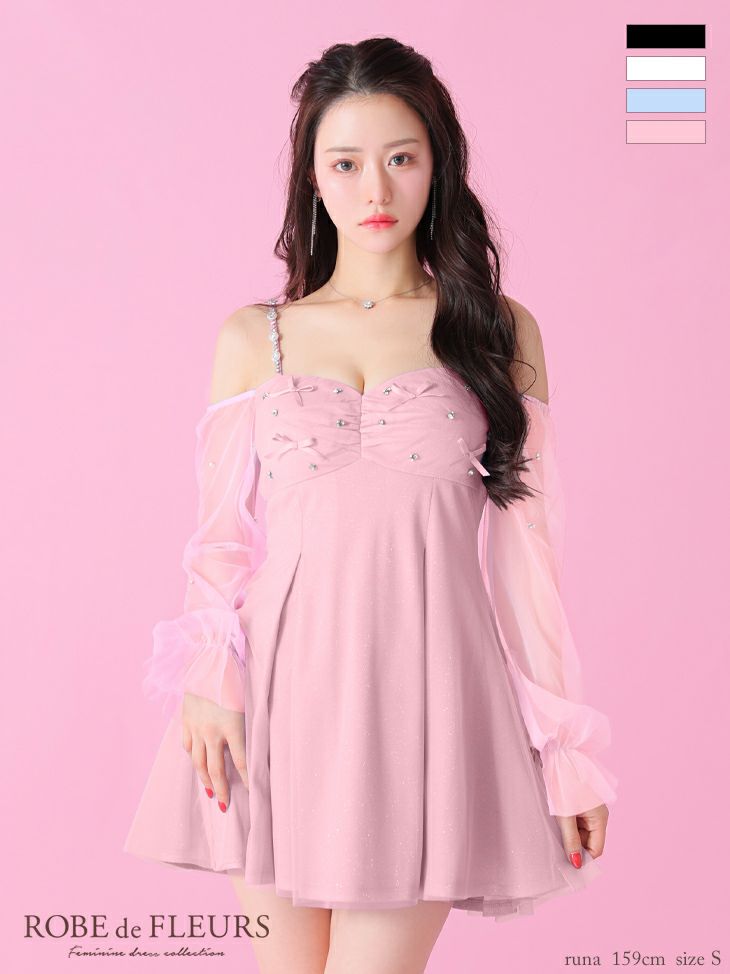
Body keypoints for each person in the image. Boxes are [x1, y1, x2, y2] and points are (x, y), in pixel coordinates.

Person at [124, 36, 618, 974]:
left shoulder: (496, 329)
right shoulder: (255, 336)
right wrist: (208, 675)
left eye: (401, 157)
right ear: (313, 177)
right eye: (346, 164)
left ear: (439, 163)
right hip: (275, 699)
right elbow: (220, 541)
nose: (375, 190)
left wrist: (566, 749)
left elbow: (529, 562)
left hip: (428, 697)